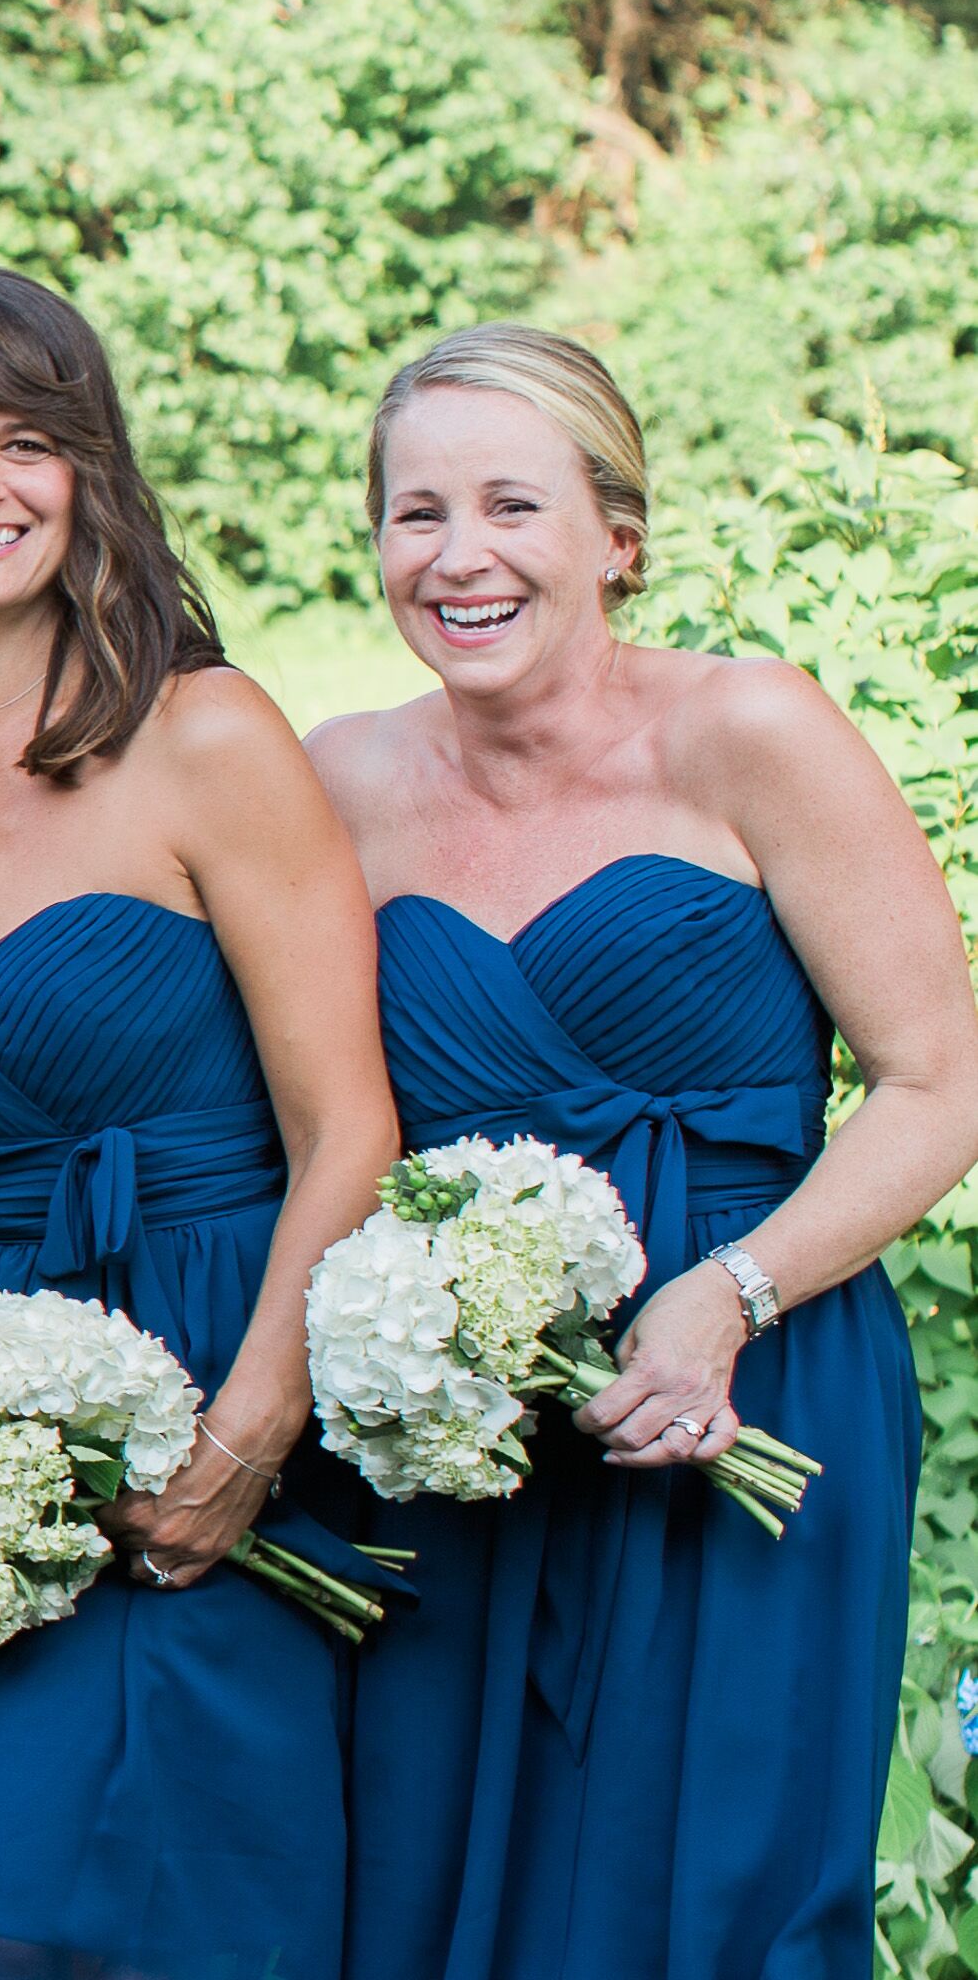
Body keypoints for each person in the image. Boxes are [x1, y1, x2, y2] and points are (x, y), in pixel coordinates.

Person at [312, 326, 967, 1979]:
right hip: (461, 1424)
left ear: (614, 533)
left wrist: (729, 1297)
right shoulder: (337, 783)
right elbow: (253, 1096)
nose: (458, 556)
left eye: (510, 506)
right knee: (430, 1894)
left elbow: (938, 1083)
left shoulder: (754, 734)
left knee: (722, 1894)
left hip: (755, 1386)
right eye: (415, 514)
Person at [0, 266, 397, 1980]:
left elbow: (349, 1119)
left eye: (27, 441)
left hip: (210, 1364)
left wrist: (248, 1432)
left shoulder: (203, 734)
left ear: (91, 479)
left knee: (169, 1929)